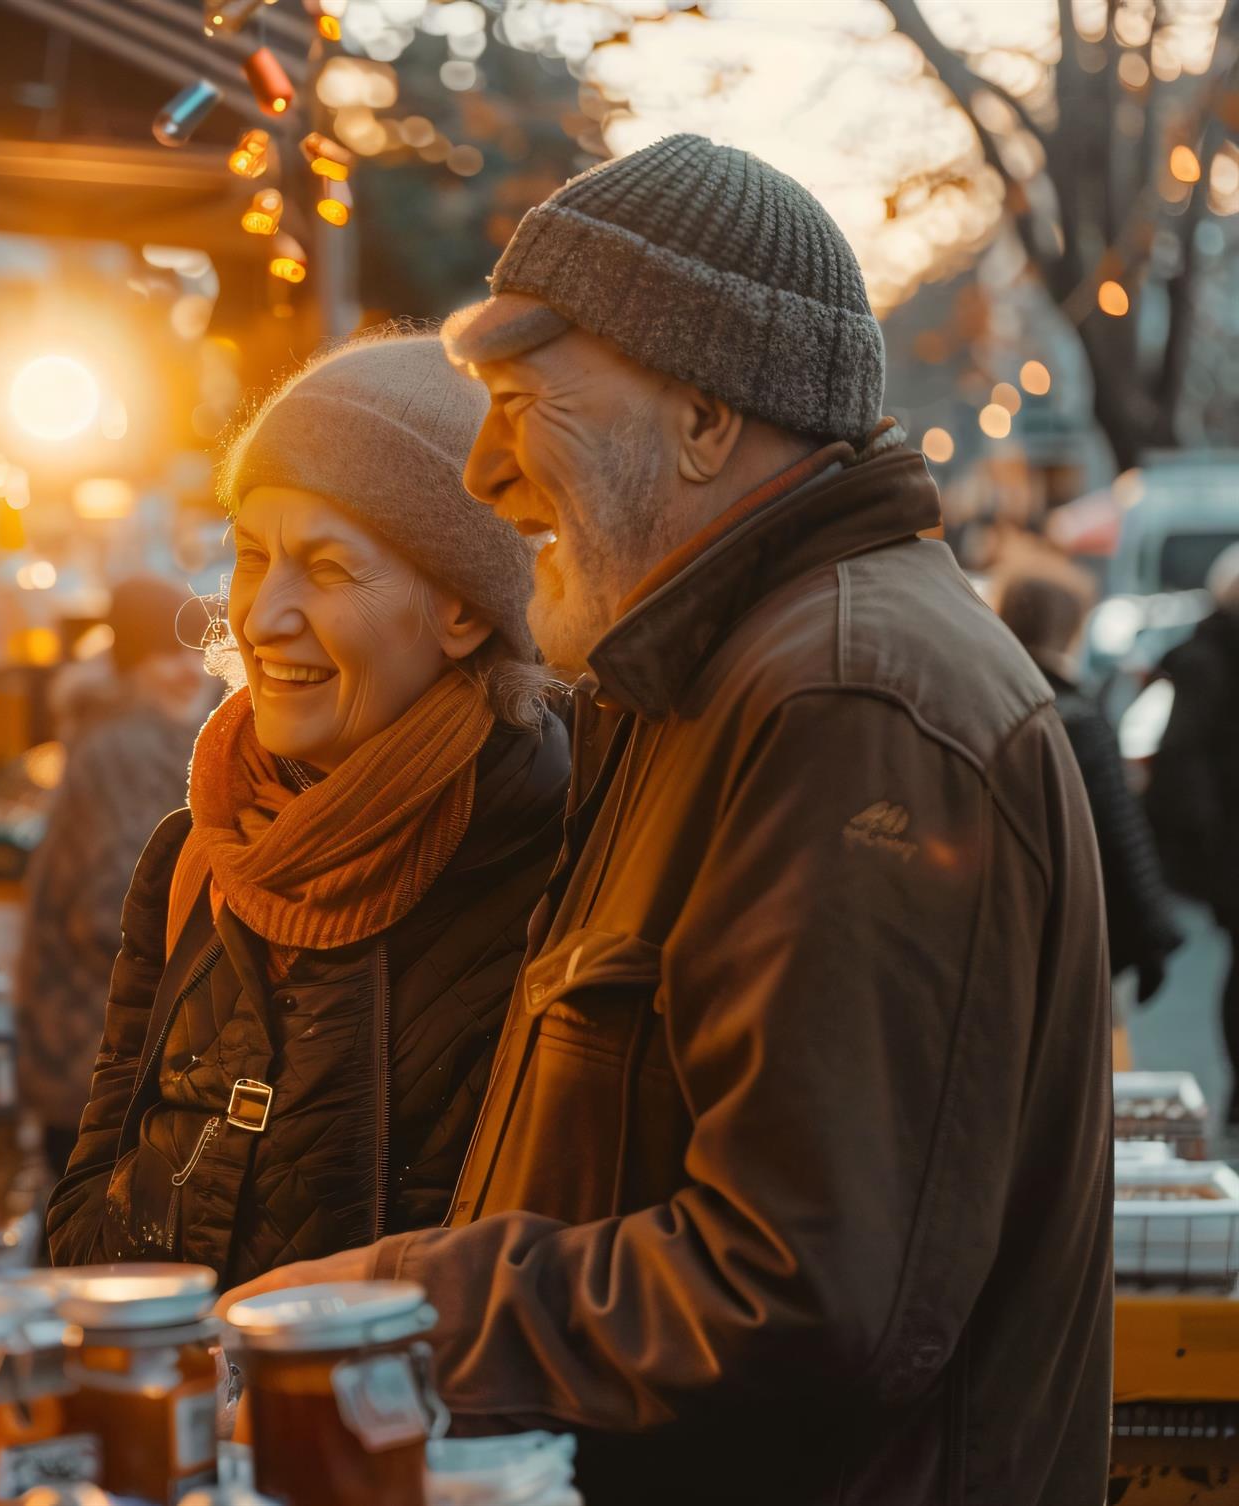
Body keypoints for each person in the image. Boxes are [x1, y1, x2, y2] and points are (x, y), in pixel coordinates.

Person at [222, 136, 1112, 1505]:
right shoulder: (696, 680)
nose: (485, 475)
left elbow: (802, 1292)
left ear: (707, 419)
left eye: (525, 402)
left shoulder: (843, 698)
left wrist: (403, 1297)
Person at [45, 333, 570, 1287]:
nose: (259, 616)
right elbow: (86, 1203)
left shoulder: (562, 872)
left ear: (463, 608)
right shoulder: (193, 855)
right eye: (251, 557)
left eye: (327, 569)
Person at [15, 577, 218, 1175]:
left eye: (195, 651)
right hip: (96, 1052)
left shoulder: (163, 734)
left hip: (100, 1048)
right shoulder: (125, 746)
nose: (186, 671)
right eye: (164, 653)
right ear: (131, 662)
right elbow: (110, 912)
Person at [993, 555, 1183, 1003]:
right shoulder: (1074, 717)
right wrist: (1153, 936)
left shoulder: (984, 703)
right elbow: (1120, 835)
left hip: (998, 929)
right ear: (1069, 628)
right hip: (1074, 936)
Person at [1146, 541, 1239, 1125]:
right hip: (1229, 845)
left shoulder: (1210, 656)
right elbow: (1183, 760)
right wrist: (1211, 841)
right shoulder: (1212, 662)